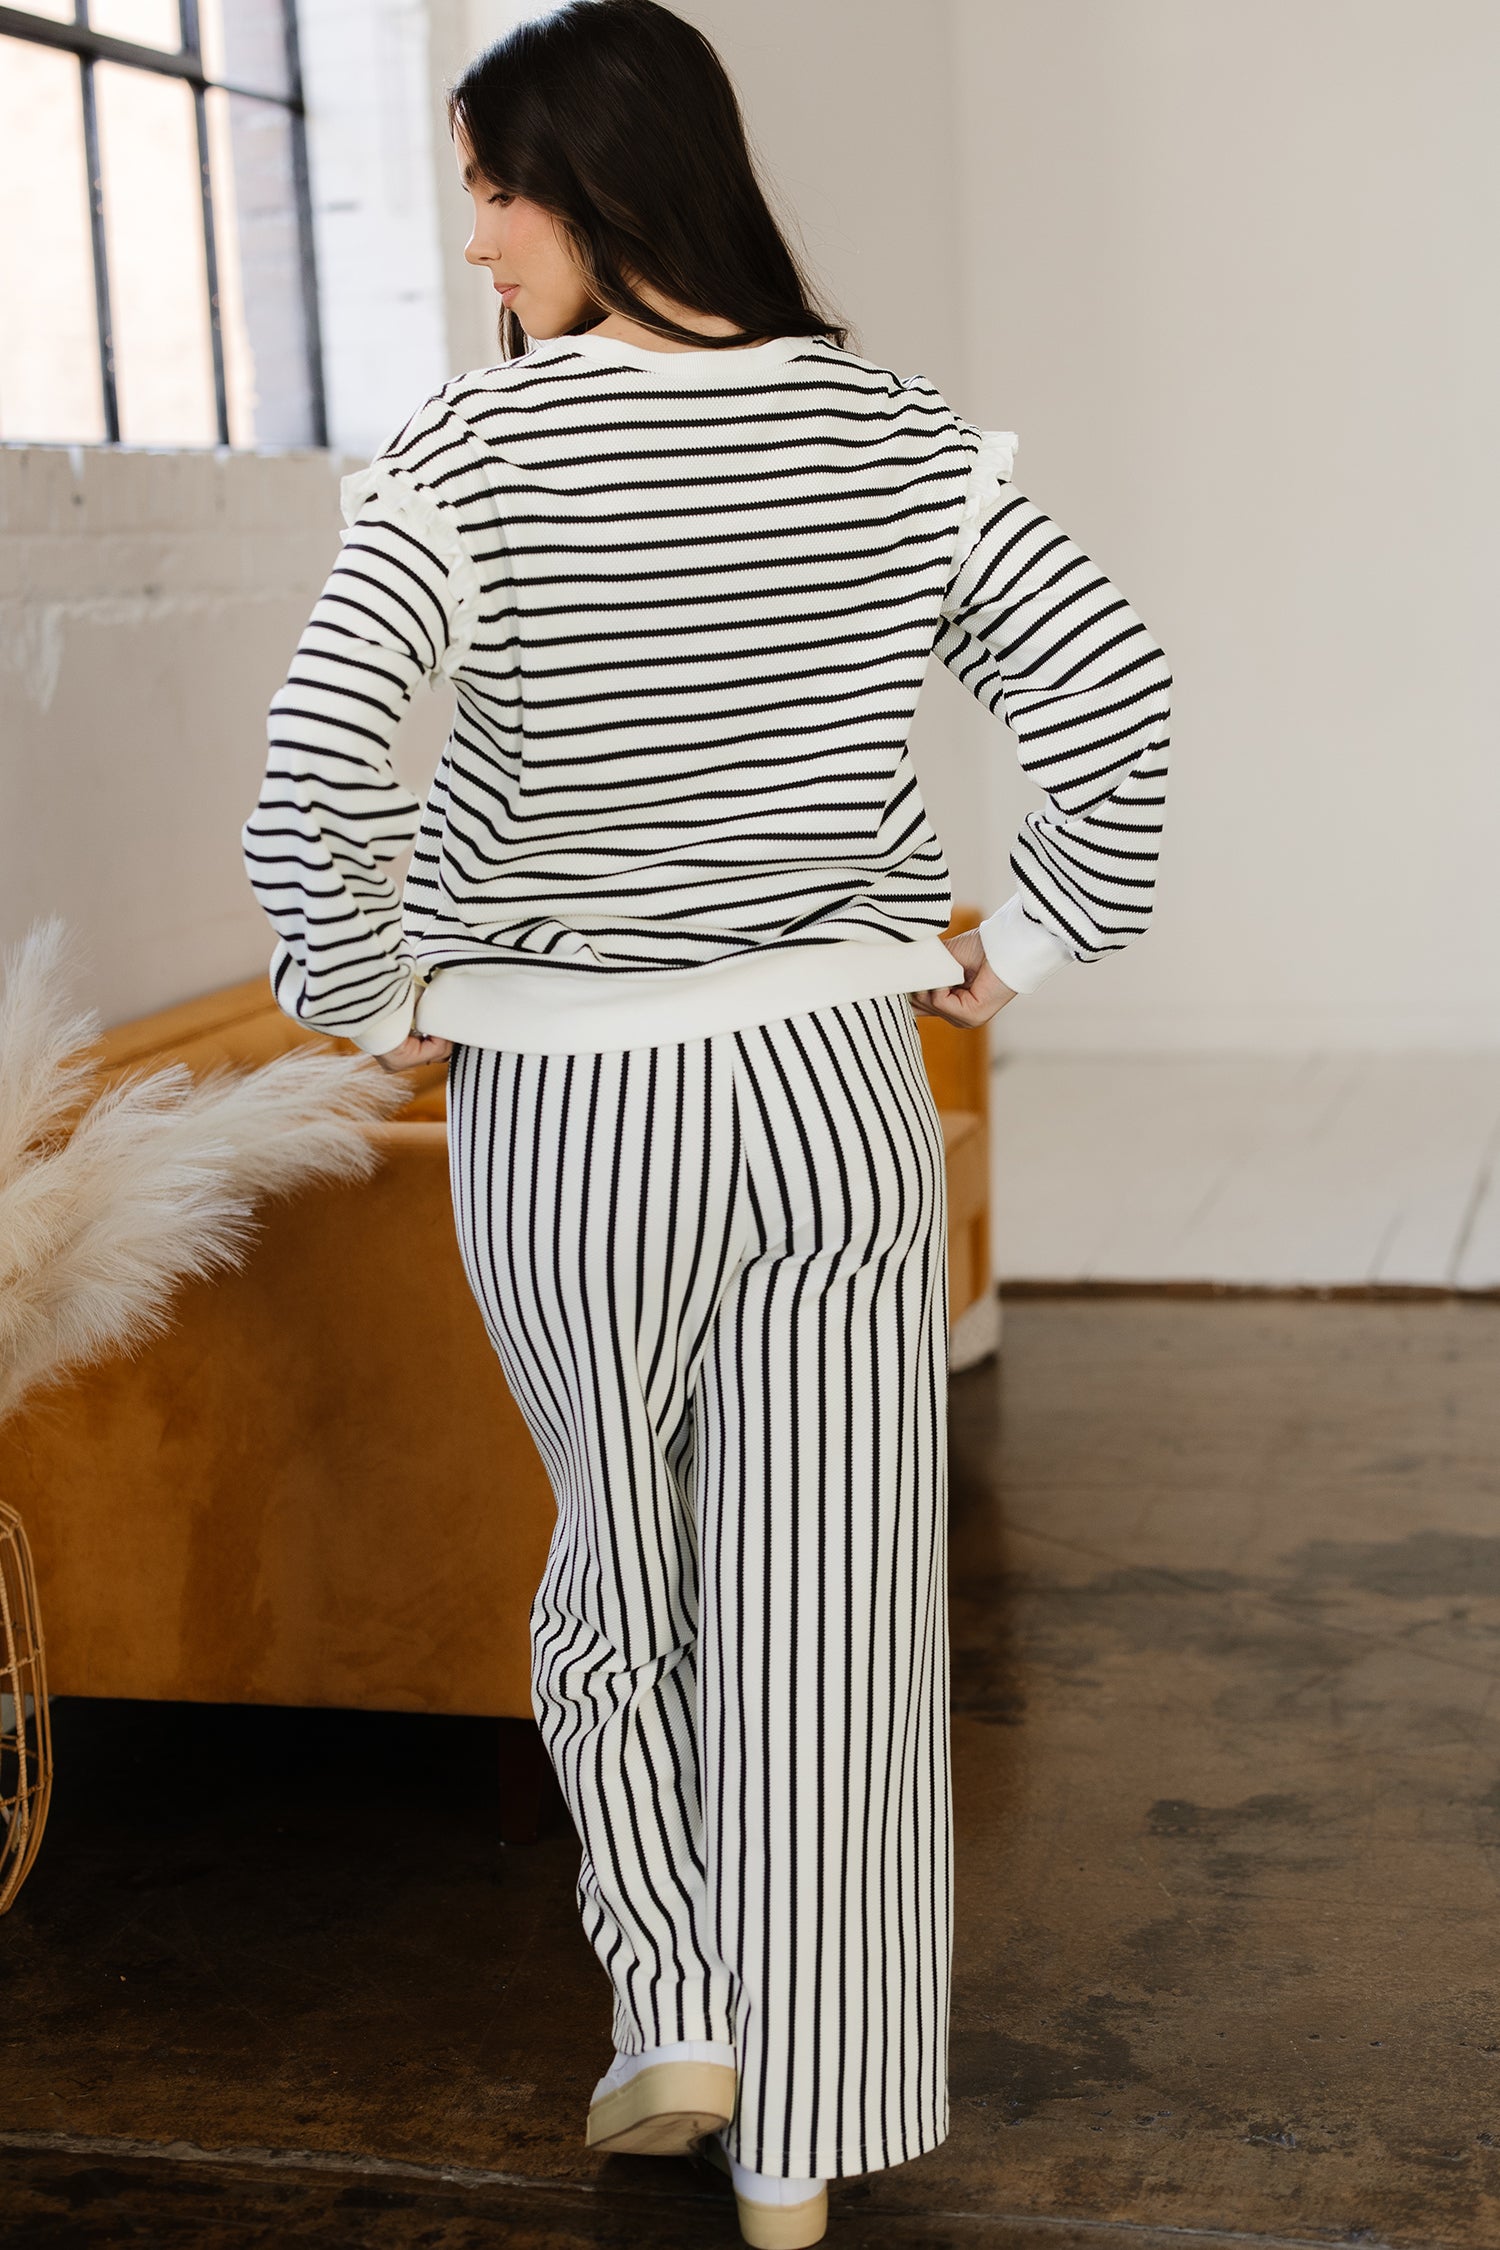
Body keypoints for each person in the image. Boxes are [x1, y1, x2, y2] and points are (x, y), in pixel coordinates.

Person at [241, 4, 1173, 2240]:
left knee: (618, 1558)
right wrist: (1035, 935)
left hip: (575, 1109)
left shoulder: (473, 455)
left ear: (599, 180)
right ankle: (799, 2143)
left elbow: (313, 772)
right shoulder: (901, 438)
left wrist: (374, 989)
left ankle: (672, 1990)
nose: (478, 240)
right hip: (839, 1092)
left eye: (494, 190)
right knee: (830, 1609)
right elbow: (1114, 689)